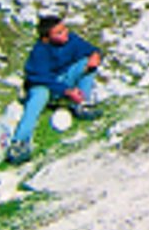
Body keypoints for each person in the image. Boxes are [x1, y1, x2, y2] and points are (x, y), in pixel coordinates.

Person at [7, 12, 101, 164]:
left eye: (64, 30)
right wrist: (67, 91)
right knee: (39, 96)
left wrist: (95, 55)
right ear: (46, 38)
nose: (65, 34)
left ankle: (83, 104)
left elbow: (90, 49)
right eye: (59, 33)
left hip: (64, 80)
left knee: (86, 64)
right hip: (44, 86)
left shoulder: (72, 40)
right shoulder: (40, 52)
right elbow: (40, 78)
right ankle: (20, 142)